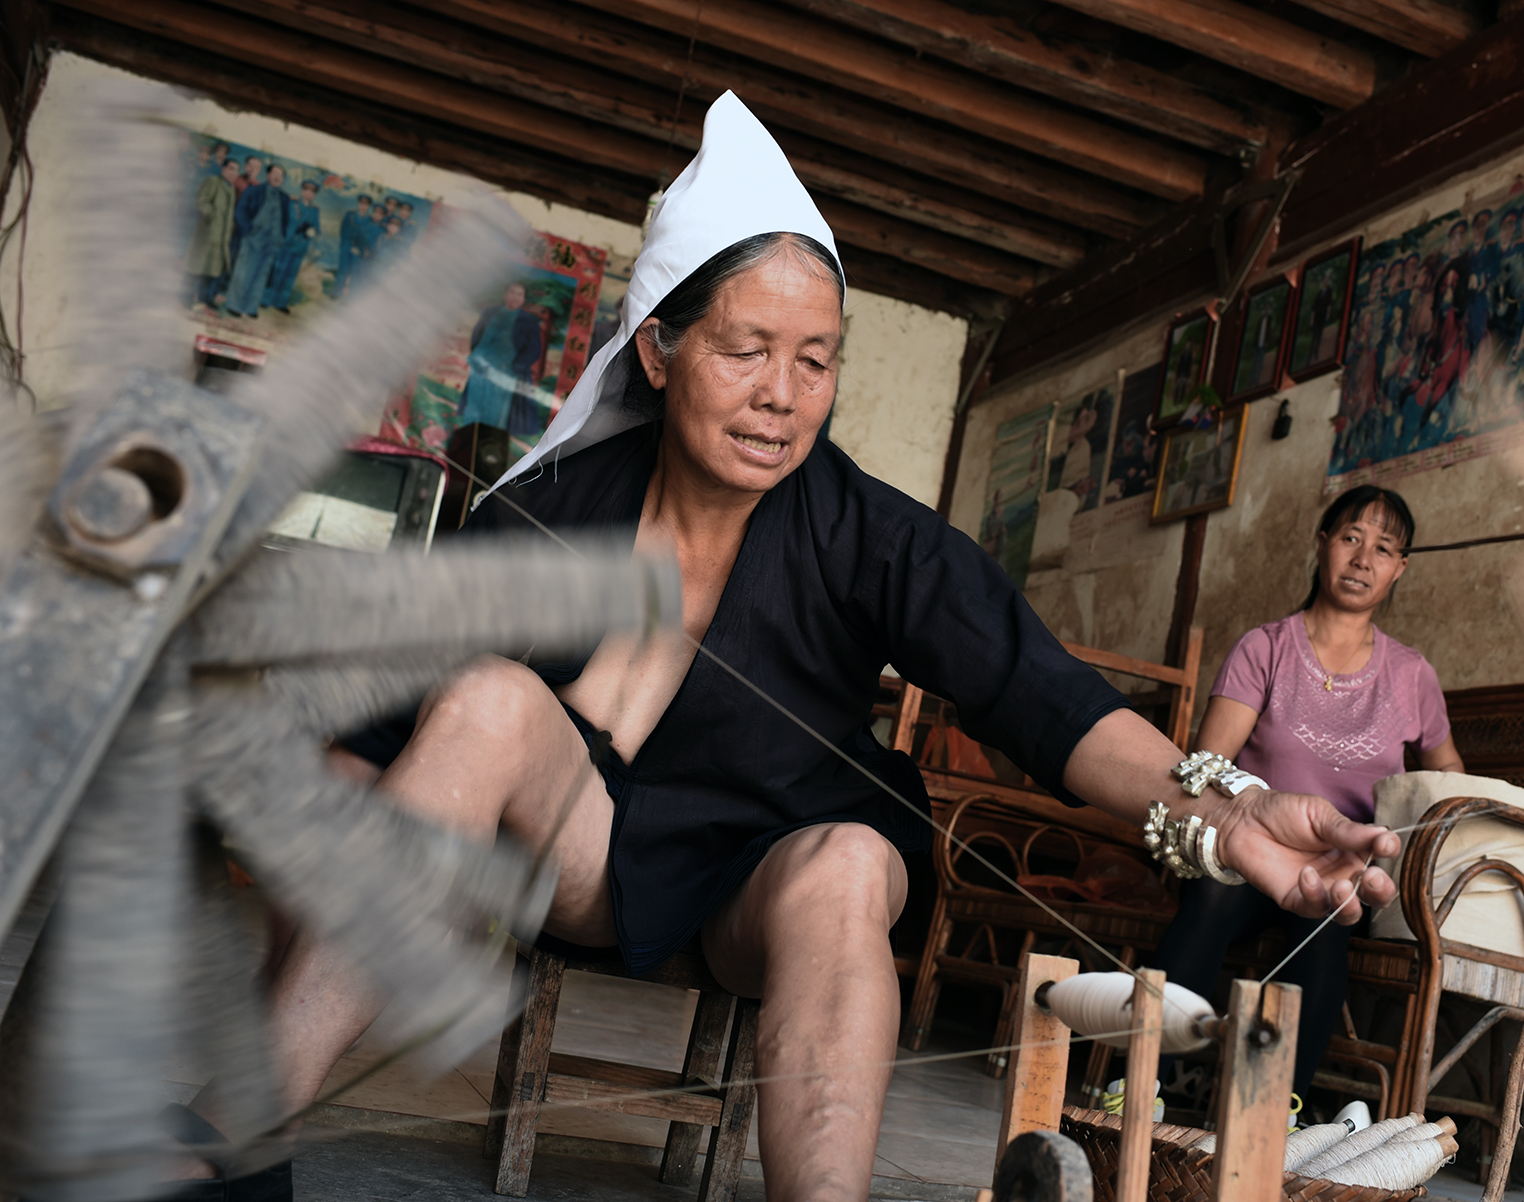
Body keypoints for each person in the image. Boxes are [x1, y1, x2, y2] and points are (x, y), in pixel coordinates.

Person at [170, 92, 1400, 1202]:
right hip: (586, 862)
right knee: (486, 700)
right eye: (746, 349)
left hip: (767, 880)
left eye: (816, 361)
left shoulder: (868, 533)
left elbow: (1048, 697)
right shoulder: (550, 515)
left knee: (853, 867)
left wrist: (1232, 812)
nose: (783, 394)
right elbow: (369, 739)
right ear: (659, 349)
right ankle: (230, 1144)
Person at [1149, 485, 1462, 1109]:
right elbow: (1208, 767)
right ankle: (1146, 1082)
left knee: (1327, 915)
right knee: (1210, 896)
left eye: (1384, 548)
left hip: (1339, 869)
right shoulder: (1265, 648)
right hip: (1248, 853)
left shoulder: (1412, 675)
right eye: (1350, 538)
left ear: (1400, 568)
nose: (1363, 559)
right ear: (1323, 544)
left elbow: (1448, 781)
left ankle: (1272, 1112)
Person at [458, 281, 542, 428]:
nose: (514, 297)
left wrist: (516, 366)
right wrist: (478, 356)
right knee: (475, 402)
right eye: (512, 292)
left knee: (497, 408)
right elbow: (477, 335)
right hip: (481, 366)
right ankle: (468, 433)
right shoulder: (489, 312)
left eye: (519, 294)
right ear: (505, 294)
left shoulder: (529, 321)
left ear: (523, 299)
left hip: (507, 369)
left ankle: (491, 438)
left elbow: (534, 350)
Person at [222, 163, 289, 318]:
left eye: (281, 175)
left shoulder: (284, 198)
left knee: (261, 276)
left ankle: (251, 308)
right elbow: (240, 211)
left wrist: (281, 238)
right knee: (243, 273)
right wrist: (248, 231)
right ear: (268, 175)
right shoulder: (255, 191)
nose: (278, 177)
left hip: (272, 242)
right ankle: (234, 305)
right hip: (253, 239)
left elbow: (285, 220)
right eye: (275, 173)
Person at [184, 158, 237, 308]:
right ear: (224, 169)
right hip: (207, 234)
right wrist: (211, 214)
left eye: (236, 170)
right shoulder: (213, 181)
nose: (234, 173)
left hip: (220, 239)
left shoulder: (231, 189)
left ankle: (205, 297)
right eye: (231, 168)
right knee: (196, 268)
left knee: (212, 270)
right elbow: (201, 200)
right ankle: (186, 297)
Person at [261, 179, 319, 314]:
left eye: (312, 192)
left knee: (290, 276)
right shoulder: (291, 203)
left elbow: (317, 229)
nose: (308, 194)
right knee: (277, 271)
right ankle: (266, 299)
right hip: (285, 244)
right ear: (302, 190)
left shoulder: (315, 210)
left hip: (300, 247)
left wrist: (312, 232)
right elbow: (282, 221)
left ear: (314, 194)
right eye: (306, 190)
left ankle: (281, 302)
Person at [330, 194, 374, 299]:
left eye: (366, 204)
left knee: (355, 273)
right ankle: (336, 293)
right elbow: (343, 230)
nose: (363, 206)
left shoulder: (370, 220)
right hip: (347, 247)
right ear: (358, 204)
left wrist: (361, 248)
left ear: (368, 206)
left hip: (358, 250)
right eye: (361, 203)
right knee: (342, 271)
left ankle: (351, 297)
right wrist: (344, 246)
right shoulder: (350, 215)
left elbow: (368, 236)